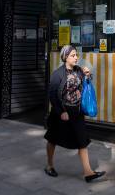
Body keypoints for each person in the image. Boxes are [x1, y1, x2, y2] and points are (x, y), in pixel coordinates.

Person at [44, 45, 105, 183]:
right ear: (65, 57)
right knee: (52, 139)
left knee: (82, 141)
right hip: (61, 112)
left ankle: (88, 172)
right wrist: (61, 112)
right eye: (72, 55)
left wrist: (89, 76)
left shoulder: (79, 71)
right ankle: (49, 165)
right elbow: (52, 95)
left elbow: (87, 84)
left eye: (76, 55)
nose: (76, 57)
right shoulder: (57, 74)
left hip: (77, 112)